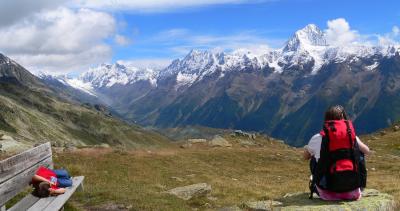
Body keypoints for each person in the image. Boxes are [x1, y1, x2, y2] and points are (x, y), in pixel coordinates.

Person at [303, 105, 370, 201]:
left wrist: (308, 148)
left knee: (314, 158)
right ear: (343, 118)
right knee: (360, 154)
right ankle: (357, 185)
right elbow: (367, 151)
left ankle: (316, 181)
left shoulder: (318, 137)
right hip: (352, 193)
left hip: (327, 194)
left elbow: (305, 157)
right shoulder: (352, 138)